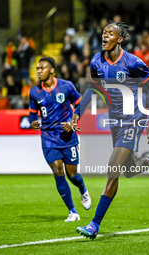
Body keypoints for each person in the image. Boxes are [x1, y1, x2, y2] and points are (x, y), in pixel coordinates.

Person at [72, 22, 149, 239]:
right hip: (115, 120)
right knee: (129, 170)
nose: (104, 36)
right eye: (103, 32)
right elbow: (93, 87)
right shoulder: (97, 61)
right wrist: (79, 110)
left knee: (112, 169)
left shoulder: (133, 62)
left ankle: (94, 225)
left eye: (110, 33)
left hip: (133, 118)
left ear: (120, 39)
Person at [29, 57, 91, 222]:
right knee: (57, 170)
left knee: (72, 175)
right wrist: (32, 121)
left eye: (42, 68)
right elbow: (32, 112)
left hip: (67, 136)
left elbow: (81, 104)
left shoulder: (66, 86)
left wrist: (73, 122)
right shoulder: (34, 92)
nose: (39, 71)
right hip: (48, 137)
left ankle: (82, 188)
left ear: (51, 70)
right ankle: (72, 212)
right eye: (37, 68)